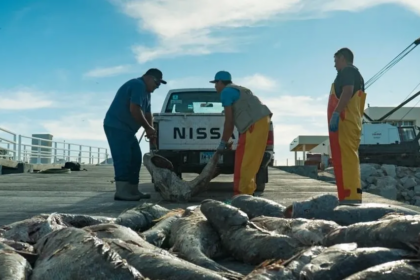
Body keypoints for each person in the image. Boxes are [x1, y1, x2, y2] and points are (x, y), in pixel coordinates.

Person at [103, 68, 166, 201]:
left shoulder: (147, 93)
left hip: (128, 130)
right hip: (116, 126)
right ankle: (121, 191)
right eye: (157, 83)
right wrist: (148, 128)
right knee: (123, 157)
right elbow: (134, 109)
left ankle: (133, 190)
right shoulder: (137, 85)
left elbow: (148, 114)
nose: (157, 87)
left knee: (136, 158)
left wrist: (151, 133)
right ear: (148, 78)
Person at [210, 71, 272, 196]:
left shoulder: (226, 92)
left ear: (221, 82)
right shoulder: (239, 89)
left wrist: (222, 143)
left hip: (254, 125)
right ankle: (247, 192)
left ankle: (241, 196)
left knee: (244, 163)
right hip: (262, 122)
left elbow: (229, 122)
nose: (215, 86)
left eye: (216, 83)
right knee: (249, 160)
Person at [327, 48, 366, 205]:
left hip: (345, 121)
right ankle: (350, 194)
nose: (335, 65)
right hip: (351, 121)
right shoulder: (357, 74)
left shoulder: (348, 71)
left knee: (346, 159)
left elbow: (347, 91)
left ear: (343, 58)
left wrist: (336, 113)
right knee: (348, 158)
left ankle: (350, 196)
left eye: (336, 60)